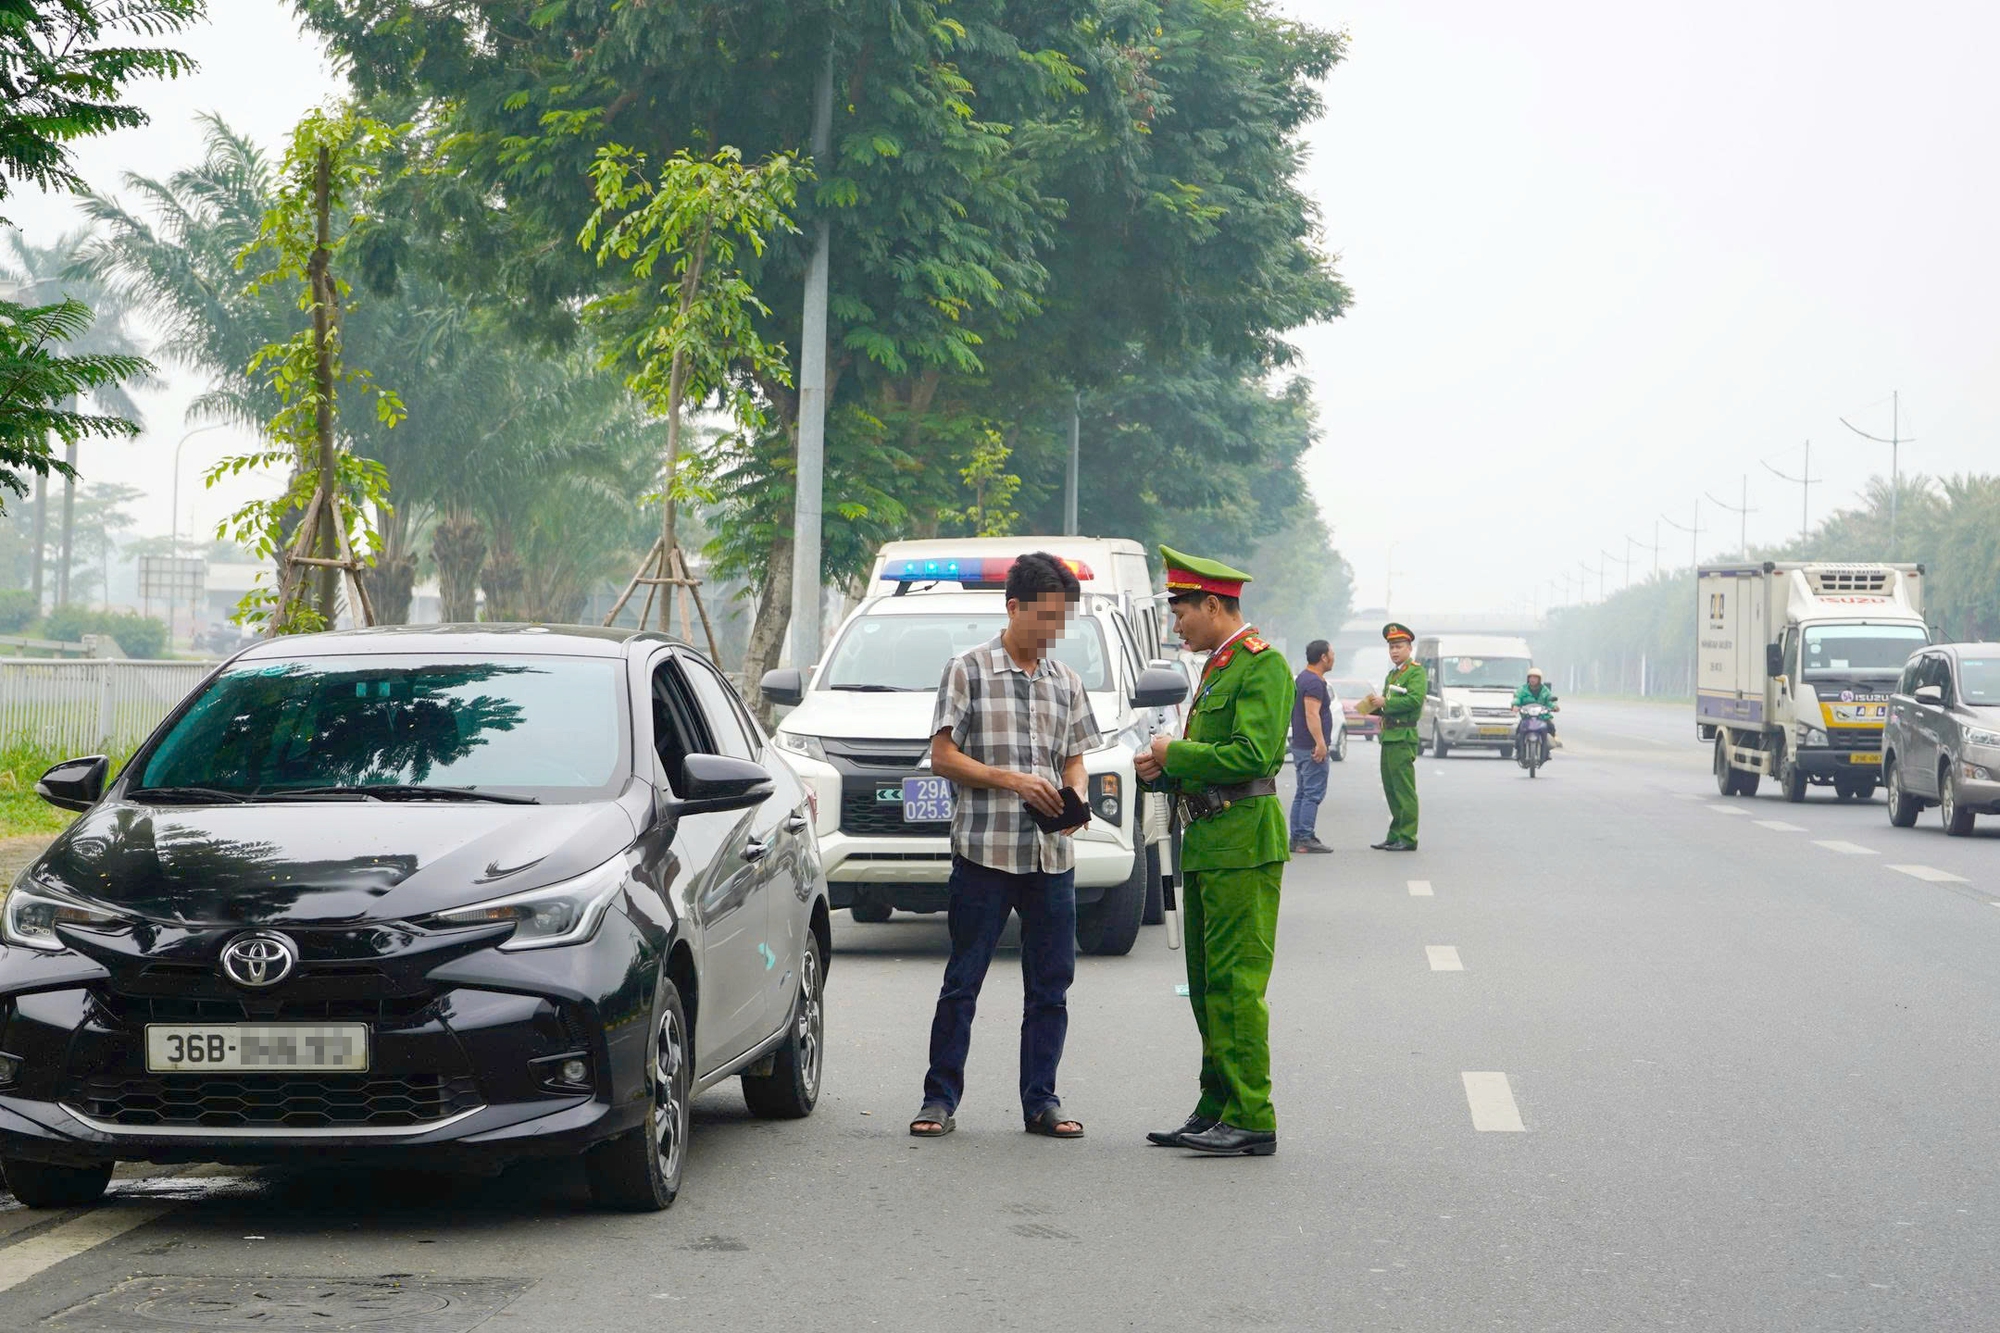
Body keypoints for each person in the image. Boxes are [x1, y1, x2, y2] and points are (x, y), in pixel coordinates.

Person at [911, 552, 1097, 1141]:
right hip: (984, 853)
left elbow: (1075, 757)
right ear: (1013, 607)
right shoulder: (966, 671)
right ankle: (939, 1098)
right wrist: (1012, 779)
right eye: (1044, 617)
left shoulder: (1065, 681)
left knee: (1051, 985)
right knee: (963, 980)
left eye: (1061, 619)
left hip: (1050, 858)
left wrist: (1072, 797)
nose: (1052, 631)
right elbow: (942, 757)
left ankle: (1041, 1100)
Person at [1134, 546, 1291, 1156]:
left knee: (1235, 984)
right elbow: (1208, 763)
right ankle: (1216, 1104)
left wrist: (1178, 753)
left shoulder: (1262, 666)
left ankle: (1252, 1114)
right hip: (1208, 840)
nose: (1177, 624)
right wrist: (1162, 769)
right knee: (1205, 984)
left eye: (1182, 612)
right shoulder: (1219, 667)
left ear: (1213, 604)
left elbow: (1253, 757)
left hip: (1243, 843)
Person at [1365, 623, 1426, 851]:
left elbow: (1414, 700)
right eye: (1391, 647)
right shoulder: (1393, 674)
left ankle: (1408, 837)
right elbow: (1386, 705)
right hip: (1389, 736)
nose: (1394, 651)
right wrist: (1372, 706)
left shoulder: (1416, 672)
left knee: (1404, 789)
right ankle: (1395, 834)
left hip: (1403, 736)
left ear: (1409, 648)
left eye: (1399, 646)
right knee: (1391, 789)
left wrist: (1386, 703)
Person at [1289, 639, 1337, 854]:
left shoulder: (1303, 678)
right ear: (1323, 657)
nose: (1334, 657)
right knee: (1312, 793)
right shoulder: (1314, 682)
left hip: (1301, 745)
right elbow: (1311, 713)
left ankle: (1298, 836)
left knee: (1302, 792)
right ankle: (1305, 837)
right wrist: (1320, 743)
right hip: (1310, 747)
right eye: (1332, 654)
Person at [1512, 666, 1560, 750]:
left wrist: (1554, 706)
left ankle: (1548, 748)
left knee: (1551, 726)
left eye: (1535, 677)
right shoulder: (1522, 689)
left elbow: (1549, 700)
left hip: (1542, 717)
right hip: (1527, 717)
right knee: (1518, 730)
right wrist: (1515, 705)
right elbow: (1517, 698)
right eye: (1531, 677)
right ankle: (1519, 751)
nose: (1532, 679)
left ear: (1539, 679)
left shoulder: (1545, 690)